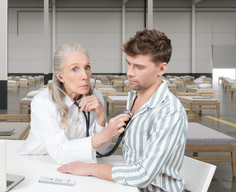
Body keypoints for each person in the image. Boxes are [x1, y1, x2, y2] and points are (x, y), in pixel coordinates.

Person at [57, 29, 188, 191]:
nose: (129, 73)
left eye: (139, 67)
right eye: (129, 63)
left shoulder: (169, 112)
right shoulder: (134, 95)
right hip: (129, 186)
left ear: (161, 69)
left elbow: (143, 175)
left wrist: (91, 169)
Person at [18, 43, 130, 164]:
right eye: (75, 69)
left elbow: (100, 151)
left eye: (87, 67)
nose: (85, 76)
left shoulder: (95, 96)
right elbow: (59, 152)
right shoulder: (43, 102)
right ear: (60, 76)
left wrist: (102, 117)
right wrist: (105, 134)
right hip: (39, 162)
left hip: (77, 164)